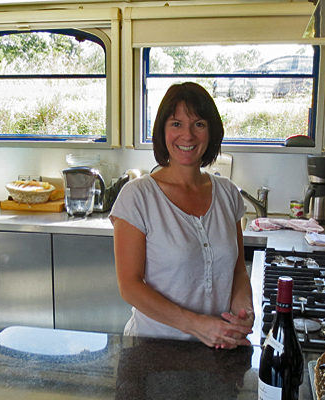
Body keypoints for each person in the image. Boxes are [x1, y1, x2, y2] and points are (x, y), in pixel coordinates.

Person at [110, 82, 254, 349]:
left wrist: (243, 310)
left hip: (217, 348)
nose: (187, 135)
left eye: (198, 124)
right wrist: (196, 325)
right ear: (162, 131)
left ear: (211, 131)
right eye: (176, 124)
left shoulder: (228, 194)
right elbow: (129, 286)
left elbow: (238, 271)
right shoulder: (137, 197)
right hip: (152, 350)